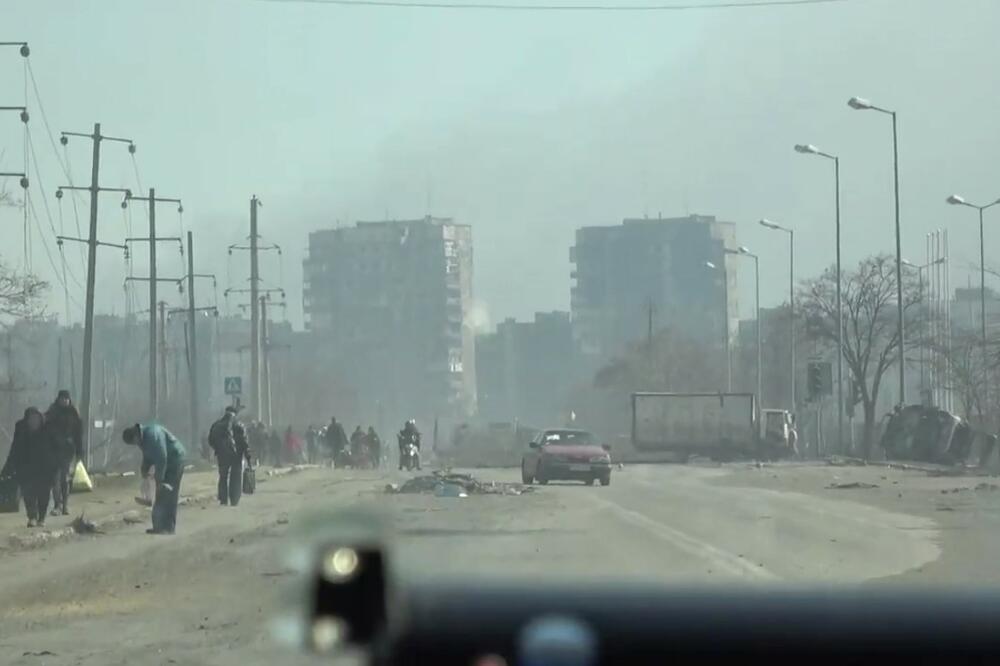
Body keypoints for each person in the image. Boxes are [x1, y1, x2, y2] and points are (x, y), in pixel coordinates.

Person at [123, 422, 186, 535]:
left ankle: (168, 527)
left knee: (169, 492)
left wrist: (159, 480)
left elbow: (161, 458)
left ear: (135, 436)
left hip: (176, 459)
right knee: (159, 494)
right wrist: (144, 471)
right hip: (167, 460)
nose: (135, 445)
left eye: (133, 442)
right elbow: (148, 457)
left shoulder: (153, 435)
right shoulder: (143, 440)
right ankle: (158, 526)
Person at [1, 407, 59, 528]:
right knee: (28, 493)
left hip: (45, 467)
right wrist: (8, 467)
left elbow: (55, 448)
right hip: (26, 467)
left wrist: (55, 466)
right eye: (30, 419)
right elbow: (15, 448)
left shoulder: (48, 429)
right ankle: (32, 517)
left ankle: (42, 517)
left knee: (43, 493)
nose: (33, 422)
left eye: (35, 419)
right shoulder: (21, 430)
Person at [45, 389, 83, 516]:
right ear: (58, 399)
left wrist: (79, 451)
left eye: (66, 399)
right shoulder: (53, 411)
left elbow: (79, 433)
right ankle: (57, 505)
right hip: (53, 449)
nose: (64, 401)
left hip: (68, 450)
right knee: (55, 479)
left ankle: (65, 505)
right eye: (62, 398)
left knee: (65, 478)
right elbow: (47, 429)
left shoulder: (73, 413)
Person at [209, 406, 250, 507]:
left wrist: (218, 449)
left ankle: (223, 499)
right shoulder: (239, 425)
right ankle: (234, 499)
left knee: (223, 477)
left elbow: (210, 440)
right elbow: (244, 442)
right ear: (235, 414)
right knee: (235, 476)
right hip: (237, 455)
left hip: (222, 455)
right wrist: (247, 455)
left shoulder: (217, 425)